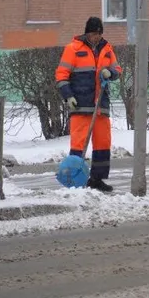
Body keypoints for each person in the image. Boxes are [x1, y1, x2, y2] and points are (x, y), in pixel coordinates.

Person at [55, 16, 122, 192]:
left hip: (101, 105)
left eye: (99, 33)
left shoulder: (107, 49)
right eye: (94, 34)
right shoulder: (73, 49)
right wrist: (68, 96)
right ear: (87, 33)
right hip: (80, 105)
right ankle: (75, 180)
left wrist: (110, 72)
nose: (97, 37)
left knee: (102, 143)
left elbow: (118, 70)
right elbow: (62, 75)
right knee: (78, 144)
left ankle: (97, 179)